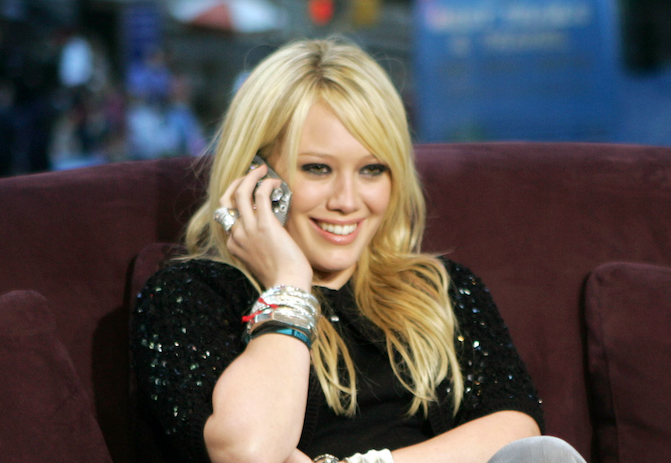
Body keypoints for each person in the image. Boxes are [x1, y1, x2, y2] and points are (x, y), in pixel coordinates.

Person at [131, 38, 586, 463]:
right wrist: (289, 284)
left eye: (371, 170)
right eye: (317, 168)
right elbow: (250, 452)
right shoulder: (189, 295)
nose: (348, 200)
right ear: (255, 174)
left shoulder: (440, 288)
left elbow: (519, 431)